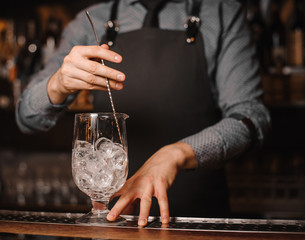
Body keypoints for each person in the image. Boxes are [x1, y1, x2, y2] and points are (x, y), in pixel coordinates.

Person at [16, 0, 271, 227]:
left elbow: (251, 118)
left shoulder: (222, 12)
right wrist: (57, 84)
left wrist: (178, 152)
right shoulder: (90, 21)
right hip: (115, 221)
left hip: (199, 222)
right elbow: (26, 117)